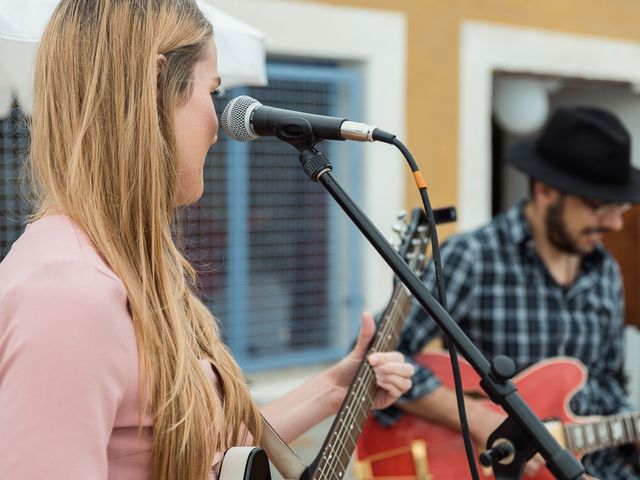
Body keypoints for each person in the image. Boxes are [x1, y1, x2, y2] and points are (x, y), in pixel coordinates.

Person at [0, 1, 414, 479]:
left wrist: (334, 388)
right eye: (212, 92)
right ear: (154, 88)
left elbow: (202, 456)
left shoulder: (125, 266)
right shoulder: (67, 293)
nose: (219, 127)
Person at [377, 106, 640, 478]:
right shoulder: (473, 257)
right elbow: (381, 353)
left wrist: (629, 428)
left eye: (620, 209)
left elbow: (606, 380)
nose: (614, 224)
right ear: (546, 191)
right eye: (600, 207)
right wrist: (484, 422)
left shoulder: (605, 272)